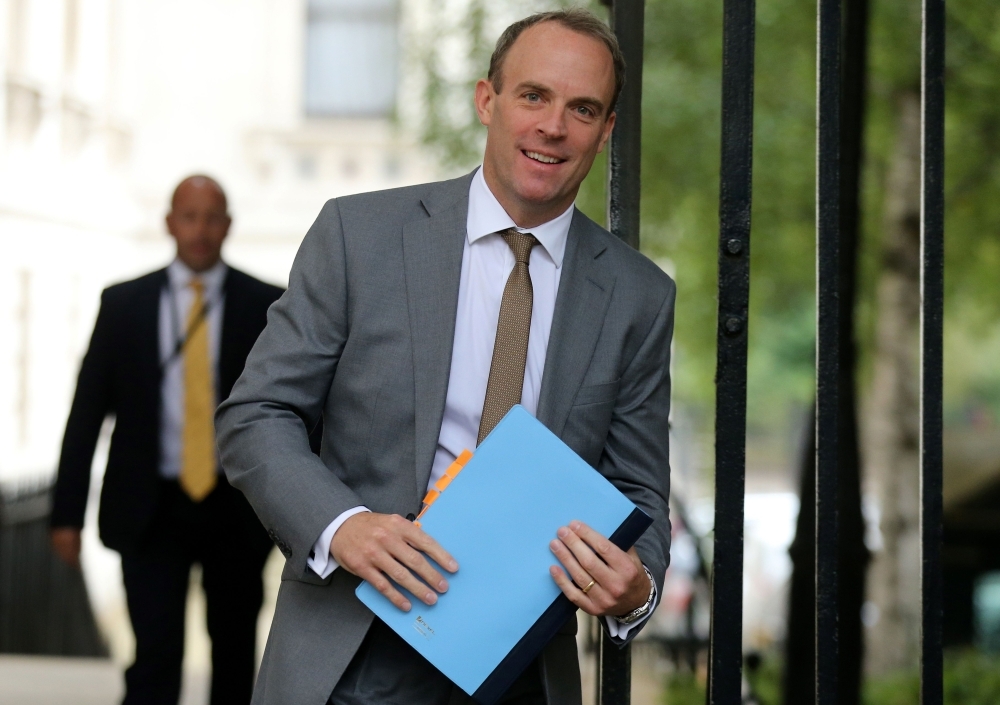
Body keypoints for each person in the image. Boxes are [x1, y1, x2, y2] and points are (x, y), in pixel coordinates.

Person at [217, 9, 674, 705]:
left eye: (582, 108)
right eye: (533, 96)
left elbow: (640, 492)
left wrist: (636, 587)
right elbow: (256, 414)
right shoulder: (358, 235)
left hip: (520, 671)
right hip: (351, 651)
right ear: (486, 100)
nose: (554, 125)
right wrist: (345, 528)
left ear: (607, 129)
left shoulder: (639, 296)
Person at [50, 175, 284, 705]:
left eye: (211, 217)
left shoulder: (267, 304)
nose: (199, 230)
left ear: (227, 225)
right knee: (154, 658)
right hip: (149, 508)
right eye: (189, 216)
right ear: (169, 223)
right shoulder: (124, 304)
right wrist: (67, 514)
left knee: (232, 655)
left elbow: (294, 412)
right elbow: (87, 412)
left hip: (236, 509)